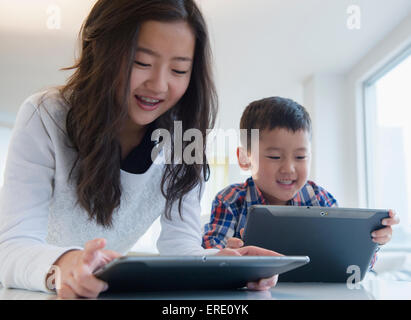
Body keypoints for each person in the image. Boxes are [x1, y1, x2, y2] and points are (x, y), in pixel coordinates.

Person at [0, 0, 280, 299]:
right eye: (141, 62)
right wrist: (64, 265)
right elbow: (10, 247)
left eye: (178, 69)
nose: (159, 85)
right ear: (100, 52)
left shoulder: (183, 138)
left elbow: (180, 248)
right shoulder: (45, 116)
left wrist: (225, 264)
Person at [202, 97, 399, 256]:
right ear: (245, 158)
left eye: (300, 157)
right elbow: (210, 251)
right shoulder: (229, 201)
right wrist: (225, 253)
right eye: (275, 156)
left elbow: (349, 260)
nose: (289, 168)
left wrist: (370, 243)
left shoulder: (320, 200)